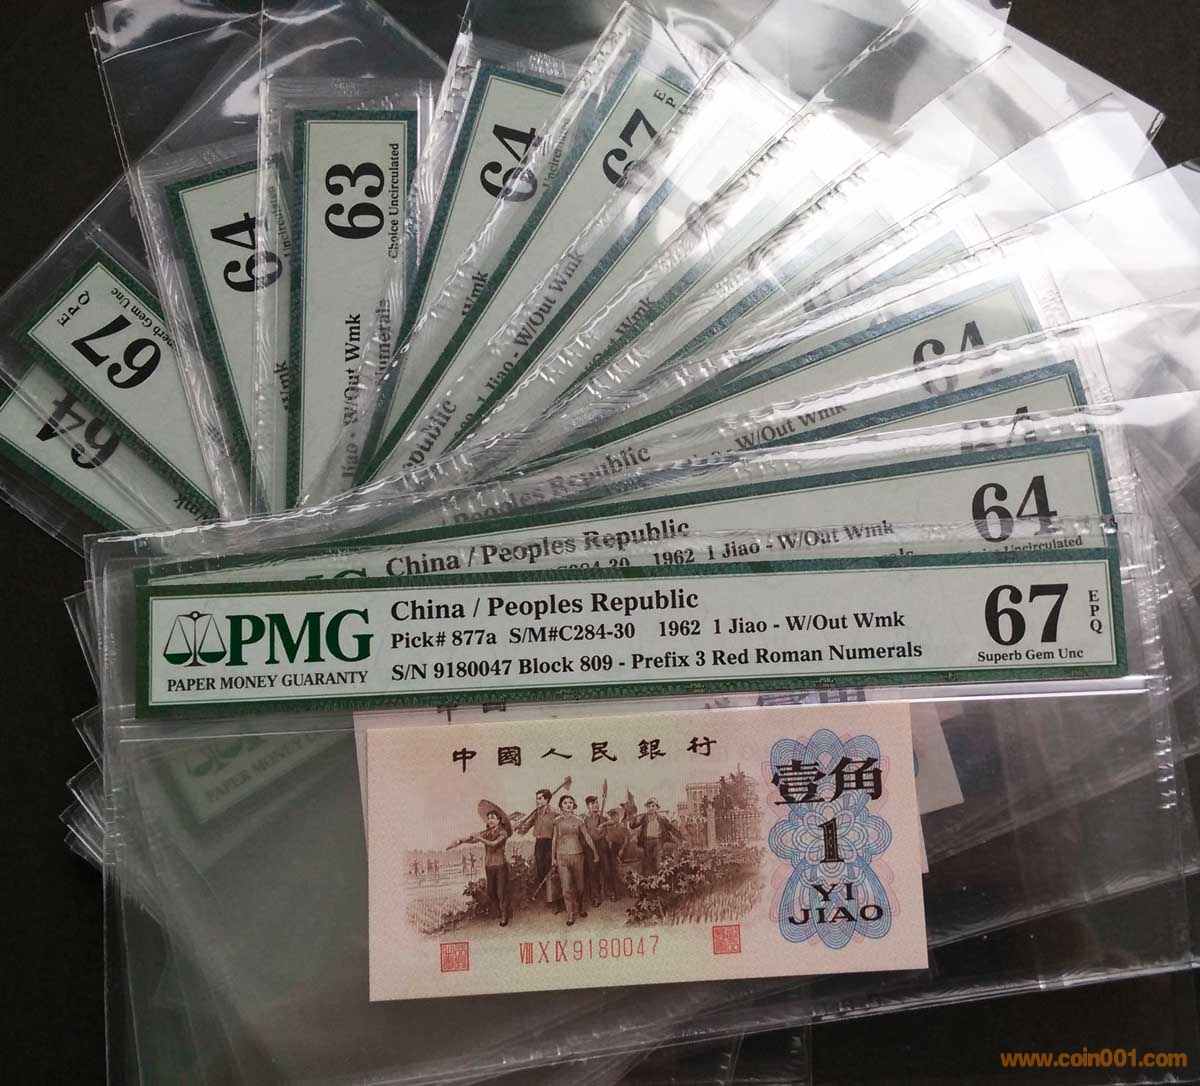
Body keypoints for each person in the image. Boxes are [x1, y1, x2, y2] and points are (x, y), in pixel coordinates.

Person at [552, 795, 599, 926]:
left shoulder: (579, 820)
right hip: (562, 856)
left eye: (570, 803)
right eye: (565, 803)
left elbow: (587, 837)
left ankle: (580, 906)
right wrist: (553, 858)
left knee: (580, 886)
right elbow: (555, 839)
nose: (568, 805)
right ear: (561, 806)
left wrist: (595, 852)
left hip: (577, 855)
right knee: (566, 887)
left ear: (573, 805)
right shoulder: (557, 821)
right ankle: (570, 914)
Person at [516, 788, 563, 913]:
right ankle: (549, 898)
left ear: (547, 800)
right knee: (541, 871)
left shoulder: (555, 812)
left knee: (551, 872)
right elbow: (527, 826)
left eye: (540, 798)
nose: (537, 801)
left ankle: (558, 902)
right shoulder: (536, 813)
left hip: (550, 844)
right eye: (536, 798)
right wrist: (519, 827)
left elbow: (565, 820)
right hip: (539, 844)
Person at [468, 802, 512, 926]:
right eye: (489, 818)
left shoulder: (503, 832)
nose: (490, 820)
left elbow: (493, 844)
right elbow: (473, 840)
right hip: (489, 866)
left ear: (499, 820)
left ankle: (504, 916)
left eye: (493, 818)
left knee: (501, 891)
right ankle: (499, 911)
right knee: (491, 892)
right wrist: (461, 840)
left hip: (500, 865)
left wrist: (479, 838)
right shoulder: (487, 832)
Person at [631, 798, 677, 875]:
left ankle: (659, 878)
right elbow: (633, 826)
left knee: (658, 863)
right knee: (647, 863)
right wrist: (634, 818)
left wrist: (682, 838)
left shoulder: (661, 818)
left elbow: (671, 828)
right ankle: (649, 880)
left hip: (658, 842)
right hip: (647, 843)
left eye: (653, 806)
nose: (651, 808)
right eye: (649, 807)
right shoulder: (643, 818)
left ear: (656, 808)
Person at [583, 795, 610, 908]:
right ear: (587, 806)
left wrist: (603, 824)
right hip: (590, 846)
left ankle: (609, 892)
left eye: (597, 803)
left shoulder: (603, 817)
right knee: (592, 871)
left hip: (602, 845)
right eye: (592, 803)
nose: (595, 805)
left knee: (607, 869)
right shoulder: (585, 819)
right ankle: (596, 897)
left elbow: (613, 821)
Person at [603, 808, 628, 899]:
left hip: (619, 849)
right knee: (609, 870)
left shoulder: (623, 827)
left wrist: (622, 849)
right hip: (609, 850)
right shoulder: (608, 827)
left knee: (616, 871)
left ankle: (618, 892)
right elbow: (606, 837)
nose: (614, 818)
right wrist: (609, 841)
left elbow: (626, 840)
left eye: (616, 816)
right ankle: (612, 892)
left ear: (619, 816)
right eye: (612, 816)